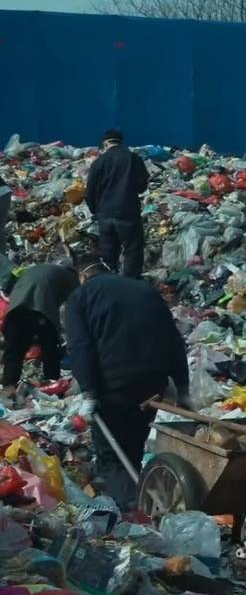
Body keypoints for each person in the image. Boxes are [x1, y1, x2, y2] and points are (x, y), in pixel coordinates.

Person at [65, 256, 191, 510]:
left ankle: (128, 513)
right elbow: (173, 339)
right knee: (133, 447)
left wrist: (89, 391)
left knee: (112, 456)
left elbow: (81, 347)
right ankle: (141, 500)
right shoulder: (143, 289)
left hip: (113, 386)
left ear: (82, 277)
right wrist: (182, 386)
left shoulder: (80, 298)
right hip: (152, 384)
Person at [1, 262, 80, 398]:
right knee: (50, 347)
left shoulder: (41, 268)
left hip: (16, 307)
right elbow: (74, 307)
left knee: (14, 348)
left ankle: (9, 386)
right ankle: (52, 382)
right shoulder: (71, 278)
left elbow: (11, 285)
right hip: (41, 307)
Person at [85, 130, 150, 278]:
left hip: (105, 214)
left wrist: (95, 211)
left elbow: (90, 191)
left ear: (105, 143)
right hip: (127, 212)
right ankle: (130, 284)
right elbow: (142, 185)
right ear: (120, 141)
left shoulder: (98, 162)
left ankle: (108, 283)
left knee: (108, 253)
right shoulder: (133, 158)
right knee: (132, 250)